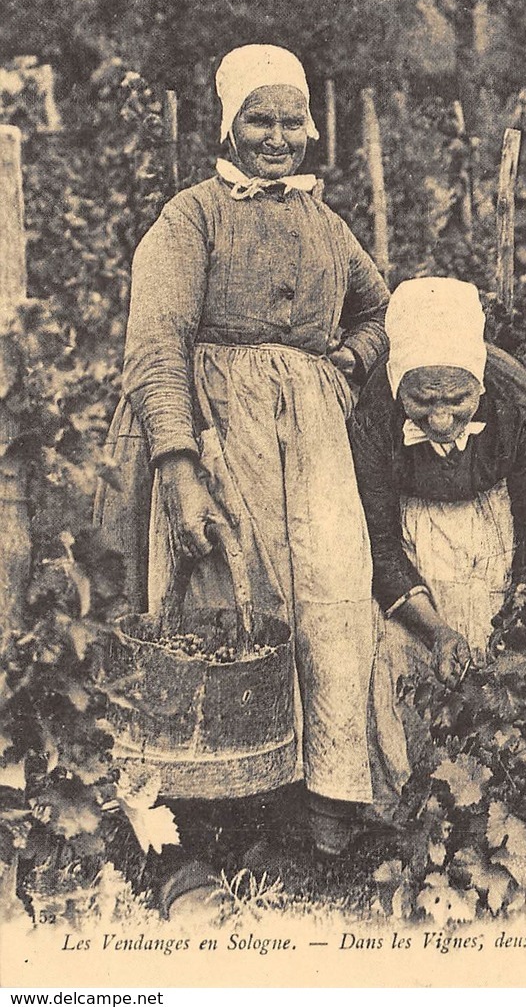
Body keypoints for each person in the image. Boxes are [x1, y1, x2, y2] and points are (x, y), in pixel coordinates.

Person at [95, 45, 390, 871]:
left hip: (313, 445)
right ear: (228, 124)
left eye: (291, 120)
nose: (276, 136)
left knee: (328, 600)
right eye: (259, 120)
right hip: (220, 431)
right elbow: (155, 342)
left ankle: (317, 814)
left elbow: (379, 306)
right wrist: (180, 463)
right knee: (221, 608)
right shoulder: (191, 216)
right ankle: (193, 829)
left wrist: (346, 364)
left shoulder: (323, 221)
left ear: (311, 126)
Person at [348, 277, 526, 816]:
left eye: (457, 399)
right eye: (422, 399)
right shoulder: (372, 417)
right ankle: (416, 803)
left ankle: (520, 789)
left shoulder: (525, 406)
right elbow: (380, 544)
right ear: (396, 384)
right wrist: (436, 630)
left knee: (524, 653)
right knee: (389, 652)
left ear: (480, 384)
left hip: (501, 521)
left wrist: (521, 613)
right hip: (414, 538)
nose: (440, 419)